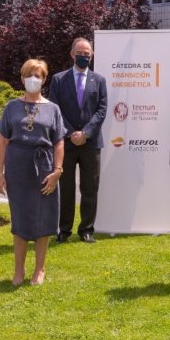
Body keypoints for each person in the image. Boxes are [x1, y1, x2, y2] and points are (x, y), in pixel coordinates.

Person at [0, 59, 65, 286]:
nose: (33, 79)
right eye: (29, 75)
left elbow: (58, 142)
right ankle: (19, 270)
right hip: (17, 167)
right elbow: (3, 141)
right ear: (22, 78)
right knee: (21, 220)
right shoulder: (11, 107)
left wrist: (57, 170)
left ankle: (40, 269)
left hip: (44, 166)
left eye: (38, 75)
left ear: (44, 79)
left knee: (44, 218)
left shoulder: (53, 108)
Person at [48, 37, 107, 243]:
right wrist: (72, 132)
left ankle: (87, 229)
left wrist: (86, 133)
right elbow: (55, 109)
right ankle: (64, 229)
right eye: (80, 53)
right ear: (72, 54)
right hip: (66, 142)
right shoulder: (58, 79)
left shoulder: (99, 80)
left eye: (87, 54)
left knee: (90, 188)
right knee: (66, 188)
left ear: (92, 56)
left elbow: (101, 110)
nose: (84, 56)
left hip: (91, 143)